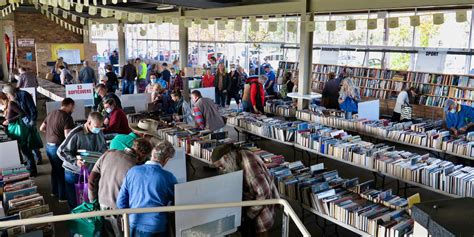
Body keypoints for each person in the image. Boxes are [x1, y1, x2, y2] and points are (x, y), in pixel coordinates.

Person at [211, 144, 279, 237]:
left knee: (261, 229)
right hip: (251, 195)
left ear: (226, 157)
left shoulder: (249, 164)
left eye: (220, 165)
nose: (220, 169)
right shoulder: (236, 156)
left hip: (263, 199)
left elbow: (264, 193)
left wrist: (249, 214)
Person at [117, 141, 178, 237]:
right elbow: (177, 200)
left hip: (134, 223)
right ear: (166, 160)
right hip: (156, 227)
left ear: (152, 155)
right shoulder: (168, 177)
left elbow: (121, 202)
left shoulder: (133, 171)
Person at [57, 112, 107, 209]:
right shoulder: (76, 133)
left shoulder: (99, 131)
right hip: (74, 172)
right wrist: (76, 161)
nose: (98, 129)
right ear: (88, 123)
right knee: (74, 201)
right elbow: (61, 152)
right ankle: (76, 221)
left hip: (90, 171)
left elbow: (103, 147)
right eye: (96, 127)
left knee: (86, 200)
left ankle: (86, 220)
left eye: (100, 127)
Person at [89, 138, 152, 209]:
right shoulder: (136, 169)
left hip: (101, 203)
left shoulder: (108, 153)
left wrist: (93, 202)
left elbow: (92, 180)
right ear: (143, 154)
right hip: (119, 210)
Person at [39, 98, 75, 202]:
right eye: (73, 107)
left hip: (49, 147)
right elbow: (67, 136)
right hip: (58, 148)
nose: (73, 109)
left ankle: (54, 191)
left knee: (54, 169)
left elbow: (41, 128)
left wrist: (51, 134)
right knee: (61, 171)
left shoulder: (51, 113)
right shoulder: (67, 117)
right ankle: (62, 196)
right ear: (70, 105)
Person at [3, 84, 43, 164]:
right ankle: (32, 158)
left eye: (7, 94)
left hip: (29, 120)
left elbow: (32, 109)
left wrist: (32, 121)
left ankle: (38, 157)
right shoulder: (15, 96)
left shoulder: (24, 94)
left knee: (32, 139)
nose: (7, 96)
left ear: (9, 92)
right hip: (23, 120)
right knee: (26, 140)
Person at [0, 92, 37, 176]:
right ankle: (26, 167)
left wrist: (9, 120)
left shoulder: (11, 104)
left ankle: (33, 170)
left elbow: (22, 113)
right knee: (21, 150)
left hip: (18, 130)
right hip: (13, 130)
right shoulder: (7, 105)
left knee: (25, 150)